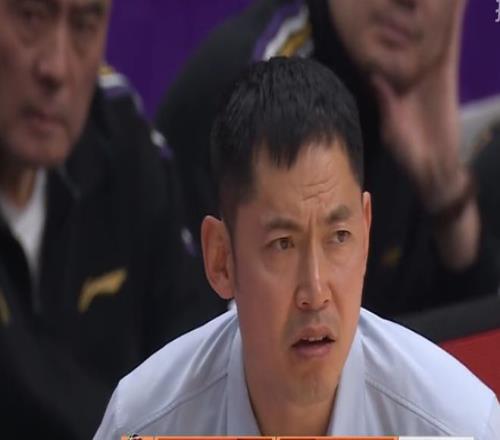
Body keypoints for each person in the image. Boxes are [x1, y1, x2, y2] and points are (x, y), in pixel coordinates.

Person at [95, 57, 500, 439]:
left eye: (338, 237)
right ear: (221, 259)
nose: (315, 292)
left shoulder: (455, 426)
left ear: (365, 231)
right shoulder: (143, 423)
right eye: (282, 245)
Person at [156, 0, 500, 317]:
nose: (409, 1)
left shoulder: (406, 100)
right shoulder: (254, 96)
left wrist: (445, 192)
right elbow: (240, 348)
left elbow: (457, 344)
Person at [0, 0, 221, 438]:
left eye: (84, 25)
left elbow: (200, 373)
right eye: (30, 18)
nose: (56, 67)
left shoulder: (121, 140)